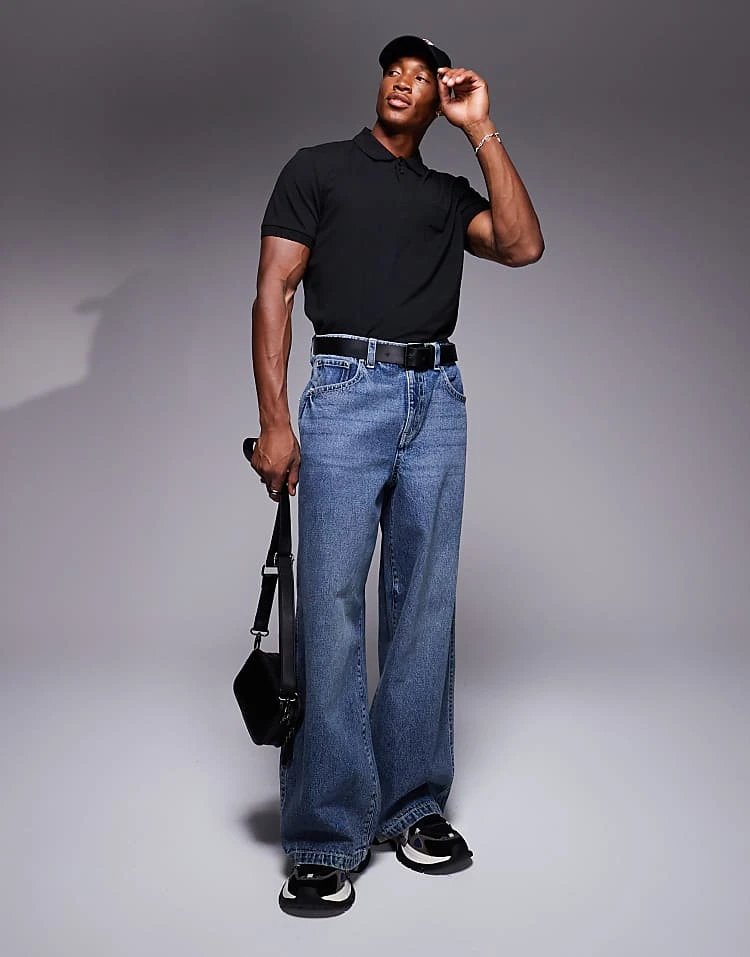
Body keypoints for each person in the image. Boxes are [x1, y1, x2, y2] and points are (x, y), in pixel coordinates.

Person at [250, 34, 544, 917]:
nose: (403, 83)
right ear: (380, 83)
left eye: (421, 76)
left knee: (424, 607)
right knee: (332, 607)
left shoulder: (446, 196)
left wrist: (481, 128)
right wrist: (276, 419)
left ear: (437, 98)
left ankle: (411, 804)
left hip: (437, 396)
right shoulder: (317, 169)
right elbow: (274, 290)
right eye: (395, 71)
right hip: (346, 391)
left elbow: (524, 244)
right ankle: (325, 834)